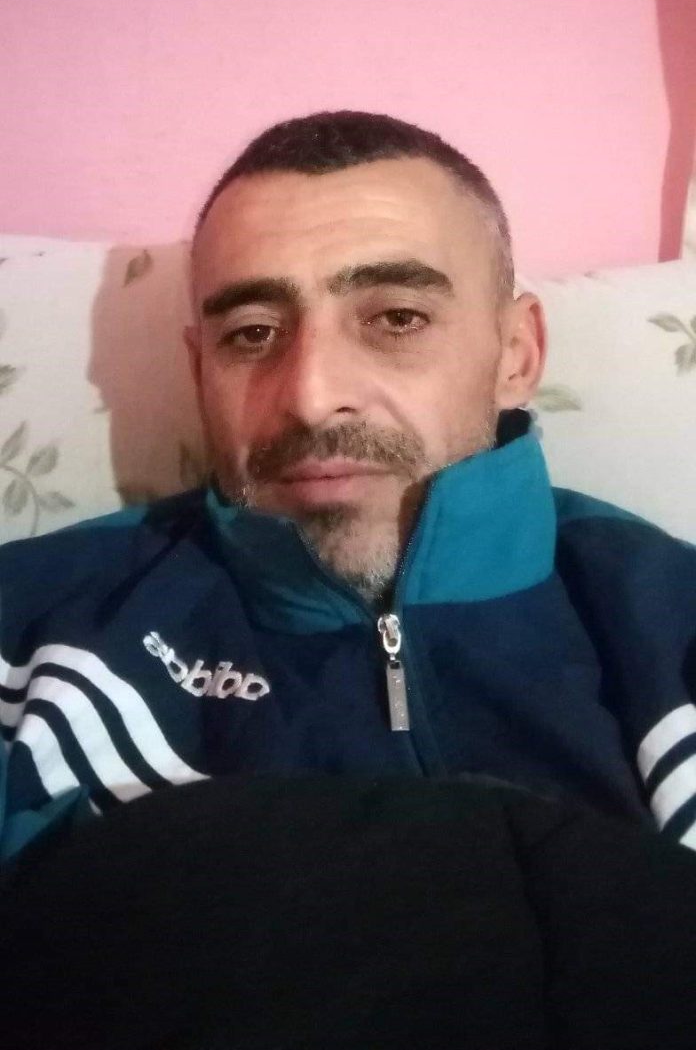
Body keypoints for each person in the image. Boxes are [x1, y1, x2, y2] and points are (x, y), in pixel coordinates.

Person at [1, 109, 696, 864]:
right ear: (200, 371)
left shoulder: (669, 624)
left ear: (517, 354)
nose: (310, 396)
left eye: (396, 317)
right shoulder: (32, 626)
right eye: (252, 333)